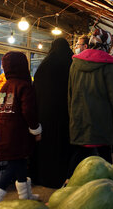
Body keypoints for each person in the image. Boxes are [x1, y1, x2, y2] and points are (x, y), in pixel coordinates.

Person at [0, 52, 42, 209]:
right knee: (12, 167)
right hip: (19, 133)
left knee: (20, 162)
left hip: (5, 131)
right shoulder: (24, 86)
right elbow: (28, 111)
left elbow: (4, 108)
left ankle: (26, 197)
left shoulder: (5, 85)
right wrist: (36, 129)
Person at [67, 29, 113, 176]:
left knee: (78, 156)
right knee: (105, 159)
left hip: (79, 118)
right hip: (102, 121)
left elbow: (70, 92)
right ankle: (108, 187)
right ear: (108, 44)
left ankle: (68, 186)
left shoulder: (75, 63)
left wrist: (72, 116)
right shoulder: (108, 64)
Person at [31, 38, 73, 188]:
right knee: (62, 146)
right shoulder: (71, 64)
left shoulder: (44, 65)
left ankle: (43, 177)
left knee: (46, 147)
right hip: (65, 115)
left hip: (45, 115)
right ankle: (62, 178)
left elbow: (35, 90)